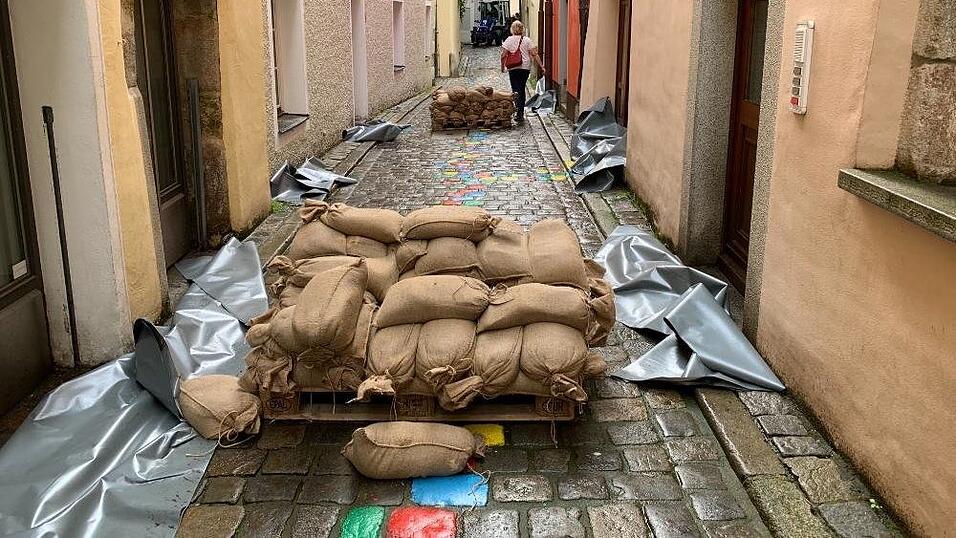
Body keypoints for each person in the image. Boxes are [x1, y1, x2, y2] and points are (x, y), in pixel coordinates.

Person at [500, 21, 545, 123]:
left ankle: (517, 110)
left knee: (515, 89)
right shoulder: (527, 40)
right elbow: (534, 54)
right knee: (521, 88)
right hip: (525, 68)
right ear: (522, 29)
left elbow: (503, 55)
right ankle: (520, 113)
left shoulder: (508, 40)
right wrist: (542, 67)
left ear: (512, 29)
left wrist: (502, 67)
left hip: (513, 68)